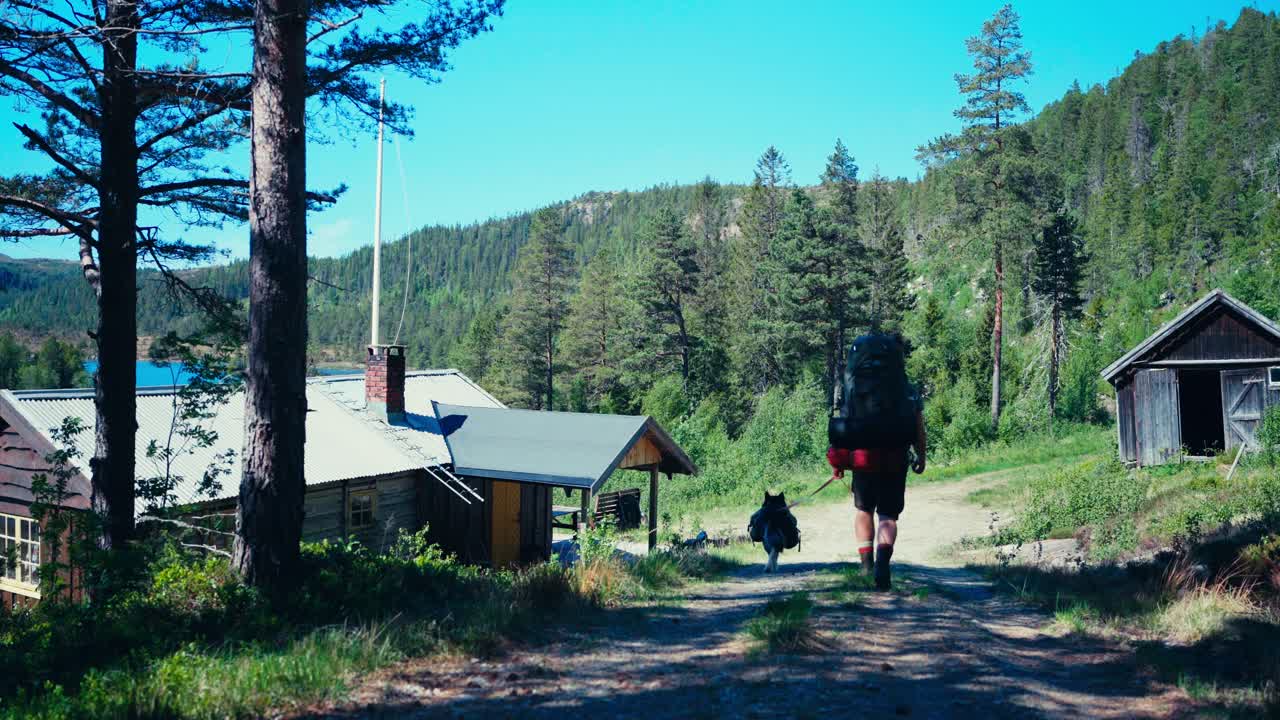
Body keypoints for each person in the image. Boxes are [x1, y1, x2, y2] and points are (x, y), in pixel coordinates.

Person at [827, 341, 926, 591]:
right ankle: (883, 563)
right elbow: (918, 428)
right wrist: (921, 457)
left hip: (862, 458)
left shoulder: (854, 386)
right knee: (888, 515)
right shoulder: (907, 389)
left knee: (863, 509)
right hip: (896, 457)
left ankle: (866, 565)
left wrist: (839, 463)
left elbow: (845, 427)